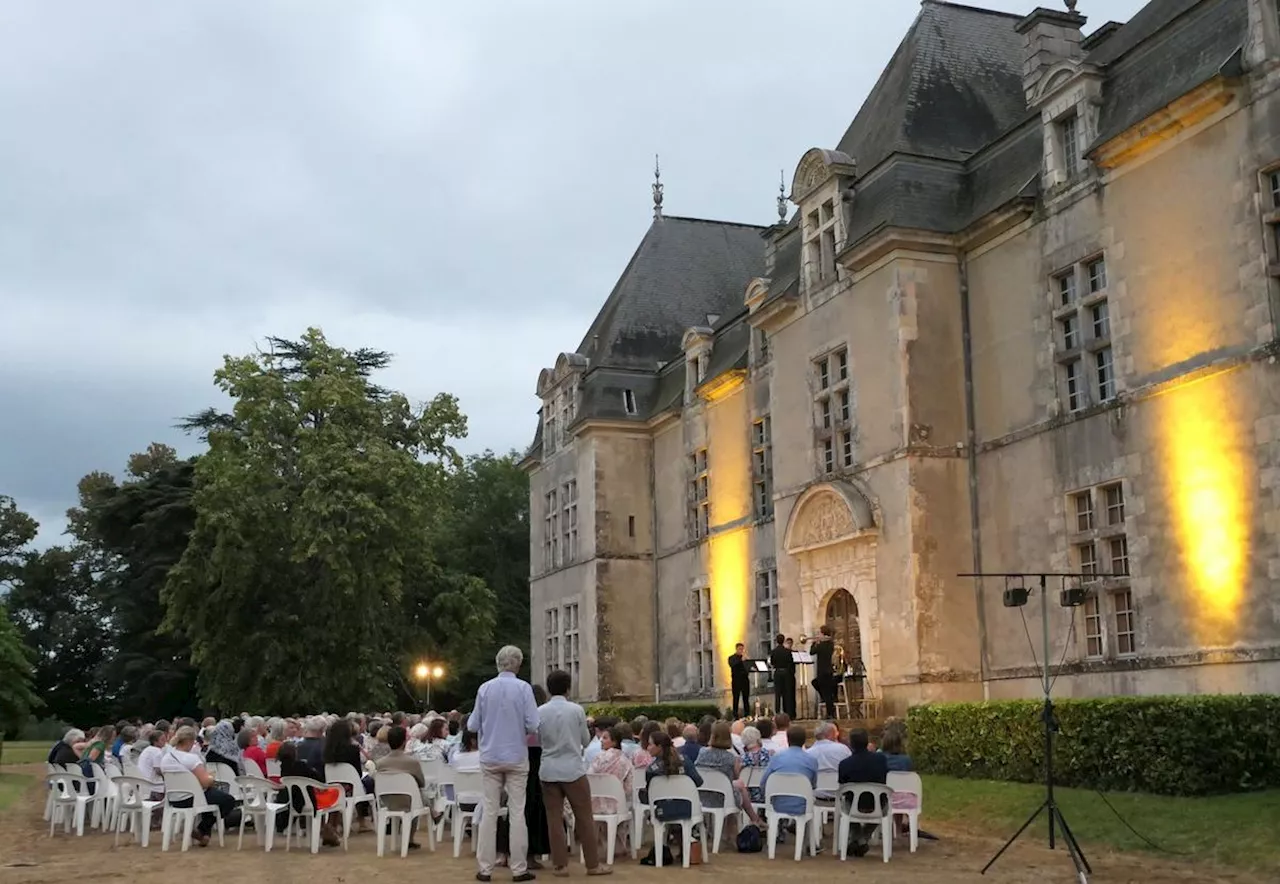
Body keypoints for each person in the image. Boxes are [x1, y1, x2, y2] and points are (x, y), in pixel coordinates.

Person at [468, 645, 539, 883]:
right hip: (517, 756)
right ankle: (519, 868)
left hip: (490, 756)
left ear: (498, 663)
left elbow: (472, 725)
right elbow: (532, 725)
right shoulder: (524, 688)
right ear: (518, 664)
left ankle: (485, 869)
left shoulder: (485, 689)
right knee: (517, 811)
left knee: (490, 811)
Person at [537, 669, 611, 877]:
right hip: (573, 769)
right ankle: (593, 864)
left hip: (549, 768)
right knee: (584, 818)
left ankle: (560, 865)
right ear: (568, 688)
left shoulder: (540, 711)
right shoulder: (576, 710)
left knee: (554, 819)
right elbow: (585, 742)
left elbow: (538, 737)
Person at [159, 725, 241, 847]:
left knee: (212, 797)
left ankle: (204, 835)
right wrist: (211, 778)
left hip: (174, 798)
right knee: (227, 800)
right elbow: (205, 782)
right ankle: (202, 829)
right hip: (194, 798)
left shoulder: (165, 758)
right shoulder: (192, 759)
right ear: (190, 741)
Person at [836, 728, 889, 857]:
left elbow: (842, 785)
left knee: (845, 804)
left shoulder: (844, 764)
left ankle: (857, 839)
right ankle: (863, 839)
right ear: (867, 742)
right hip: (877, 804)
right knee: (885, 807)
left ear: (851, 744)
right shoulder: (881, 760)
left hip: (853, 804)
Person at [375, 725, 427, 849]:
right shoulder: (412, 762)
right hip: (408, 801)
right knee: (416, 794)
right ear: (404, 742)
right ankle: (410, 838)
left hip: (387, 800)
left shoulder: (380, 763)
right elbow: (422, 782)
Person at [759, 724, 817, 817]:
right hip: (803, 805)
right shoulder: (812, 760)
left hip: (778, 805)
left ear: (788, 739)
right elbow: (813, 785)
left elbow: (764, 783)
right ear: (804, 740)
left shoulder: (776, 758)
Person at [808, 625, 838, 719]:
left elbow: (812, 652)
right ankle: (830, 710)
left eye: (819, 633)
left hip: (822, 671)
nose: (818, 635)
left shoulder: (822, 645)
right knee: (824, 690)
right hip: (828, 671)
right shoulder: (830, 644)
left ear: (823, 633)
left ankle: (830, 713)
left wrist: (814, 643)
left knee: (825, 692)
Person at [769, 634, 796, 718]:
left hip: (777, 673)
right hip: (786, 673)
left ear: (776, 641)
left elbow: (772, 662)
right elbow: (790, 662)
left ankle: (777, 712)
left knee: (777, 694)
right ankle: (788, 713)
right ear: (783, 640)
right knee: (787, 693)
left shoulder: (773, 651)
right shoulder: (787, 651)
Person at [728, 642, 751, 719]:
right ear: (736, 649)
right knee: (736, 698)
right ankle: (735, 715)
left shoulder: (744, 658)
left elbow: (748, 668)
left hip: (745, 680)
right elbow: (733, 665)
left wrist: (748, 662)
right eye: (740, 649)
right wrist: (741, 660)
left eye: (742, 649)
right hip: (736, 681)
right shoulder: (731, 658)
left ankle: (747, 714)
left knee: (746, 698)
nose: (741, 650)